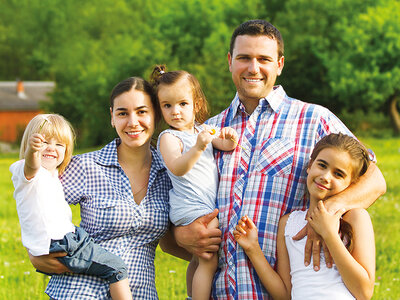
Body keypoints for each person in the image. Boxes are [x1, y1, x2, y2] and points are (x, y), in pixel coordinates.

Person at [172, 19, 386, 299]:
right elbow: (177, 202)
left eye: (264, 59)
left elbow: (375, 179)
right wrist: (179, 236)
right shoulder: (205, 132)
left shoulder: (314, 119)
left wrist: (328, 211)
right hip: (217, 291)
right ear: (229, 61)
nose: (253, 68)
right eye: (244, 58)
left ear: (280, 65)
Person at [27, 77, 178, 299]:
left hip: (140, 293)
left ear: (155, 114)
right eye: (123, 113)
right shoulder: (85, 166)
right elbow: (36, 203)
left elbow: (174, 240)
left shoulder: (171, 173)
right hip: (79, 292)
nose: (133, 122)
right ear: (112, 117)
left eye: (141, 111)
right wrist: (35, 251)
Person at [234, 133, 375, 299]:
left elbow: (364, 292)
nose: (325, 176)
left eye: (338, 174)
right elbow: (285, 294)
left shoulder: (355, 217)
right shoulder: (289, 223)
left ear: (350, 183)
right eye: (322, 165)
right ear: (310, 165)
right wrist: (253, 249)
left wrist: (329, 234)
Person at [9, 114, 132, 300]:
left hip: (68, 236)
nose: (51, 147)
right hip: (59, 242)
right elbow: (30, 166)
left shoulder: (52, 175)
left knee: (98, 254)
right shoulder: (26, 172)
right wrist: (33, 152)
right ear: (30, 145)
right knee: (117, 268)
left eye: (59, 144)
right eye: (44, 142)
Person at [150, 65, 238, 300]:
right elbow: (178, 168)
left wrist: (229, 136)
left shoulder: (202, 130)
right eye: (167, 106)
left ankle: (190, 295)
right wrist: (199, 146)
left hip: (202, 206)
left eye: (182, 104)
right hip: (190, 207)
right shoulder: (169, 137)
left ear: (196, 104)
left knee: (200, 259)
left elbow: (226, 145)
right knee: (209, 260)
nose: (175, 111)